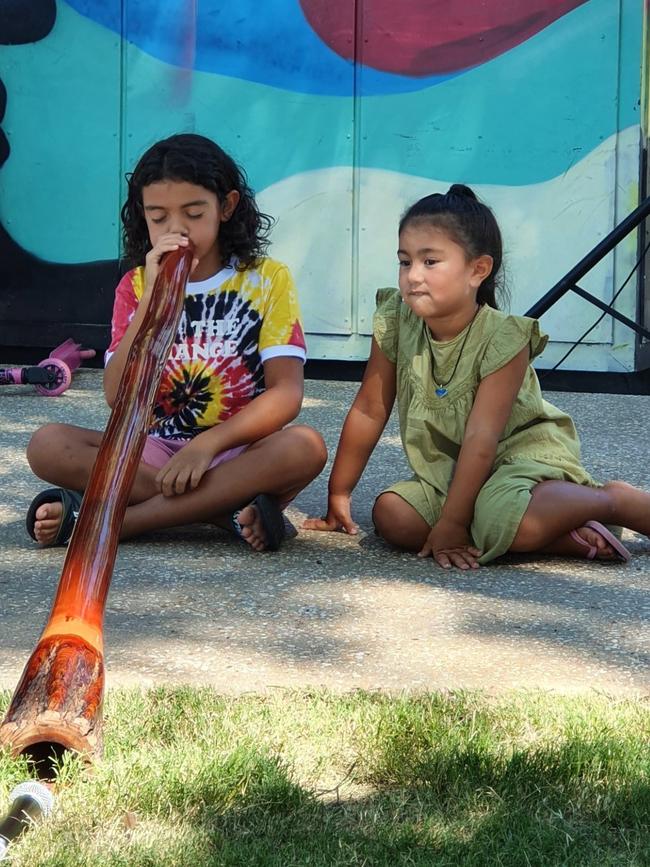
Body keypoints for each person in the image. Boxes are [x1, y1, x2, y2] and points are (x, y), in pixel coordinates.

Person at [305, 184, 649, 568]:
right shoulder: (396, 320)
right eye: (405, 262)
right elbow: (370, 408)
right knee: (392, 516)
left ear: (477, 270)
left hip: (519, 462)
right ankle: (562, 536)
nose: (412, 276)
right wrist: (339, 492)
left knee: (508, 515)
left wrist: (453, 523)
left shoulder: (505, 337)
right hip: (449, 473)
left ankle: (614, 501)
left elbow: (482, 438)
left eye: (430, 262)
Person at [26, 133, 327, 552]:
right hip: (150, 453)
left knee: (305, 446)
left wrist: (208, 445)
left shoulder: (266, 279)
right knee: (48, 445)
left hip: (237, 452)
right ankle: (223, 513)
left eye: (193, 213)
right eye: (158, 217)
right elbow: (117, 396)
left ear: (227, 207)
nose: (176, 230)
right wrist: (149, 304)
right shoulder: (134, 286)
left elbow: (286, 394)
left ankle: (116, 523)